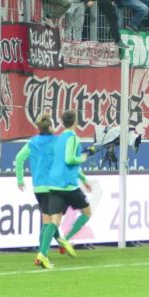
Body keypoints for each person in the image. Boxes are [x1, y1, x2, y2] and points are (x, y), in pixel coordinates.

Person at [14, 114, 68, 268]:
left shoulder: (33, 142)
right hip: (54, 186)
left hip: (38, 187)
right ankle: (43, 254)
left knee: (46, 221)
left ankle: (41, 253)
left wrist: (20, 180)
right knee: (53, 221)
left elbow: (19, 158)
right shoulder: (57, 141)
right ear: (51, 126)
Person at [45, 110, 94, 269]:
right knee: (87, 212)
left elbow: (60, 161)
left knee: (54, 221)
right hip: (68, 185)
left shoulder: (59, 139)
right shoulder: (73, 137)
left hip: (54, 183)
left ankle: (43, 254)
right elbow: (69, 160)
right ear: (74, 122)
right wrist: (83, 158)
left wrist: (84, 178)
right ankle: (67, 238)